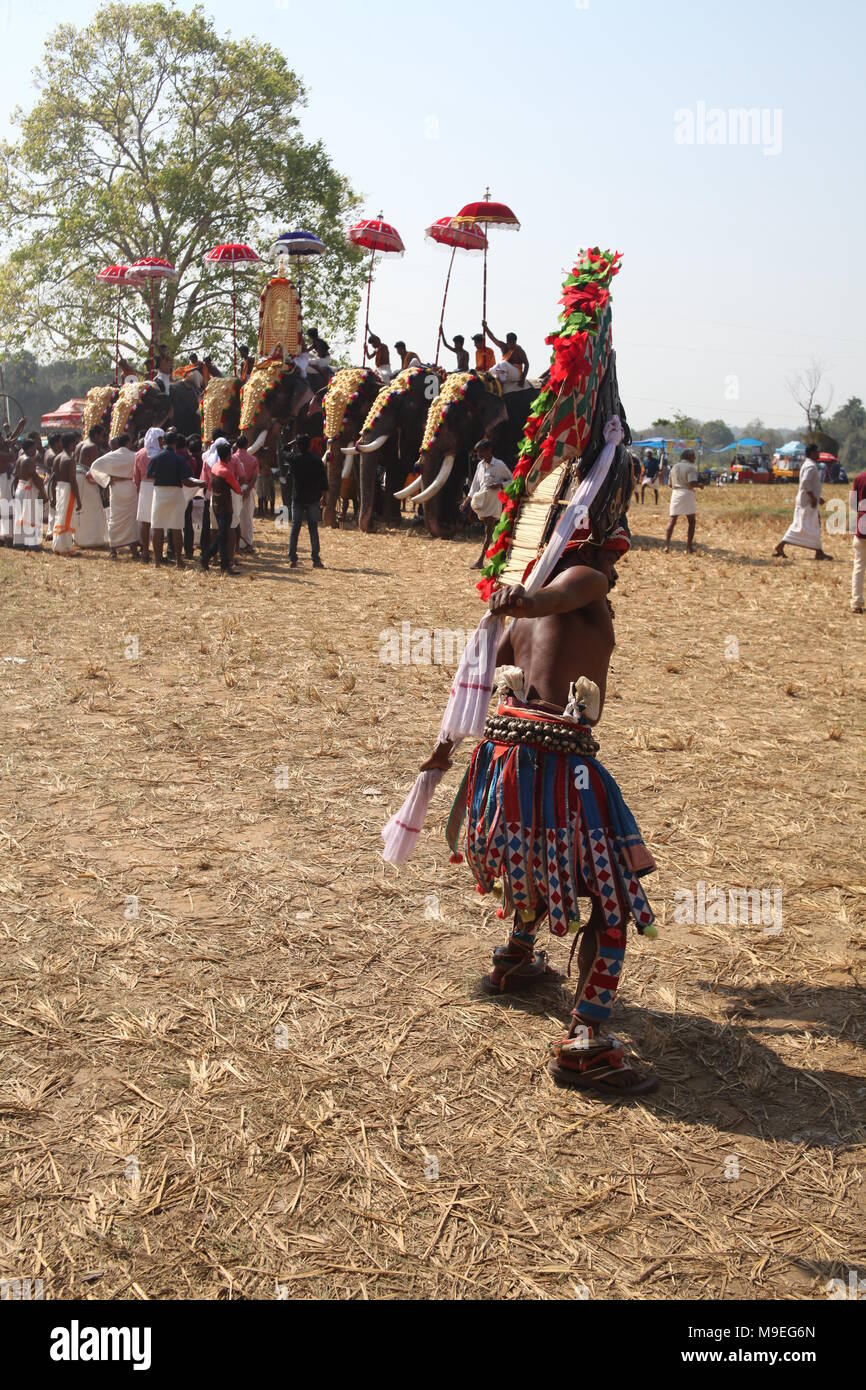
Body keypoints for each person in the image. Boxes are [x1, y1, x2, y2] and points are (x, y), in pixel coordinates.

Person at [147, 428, 202, 568]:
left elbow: (150, 476)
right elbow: (186, 481)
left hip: (159, 493)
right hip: (176, 492)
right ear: (176, 443)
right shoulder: (180, 459)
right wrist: (201, 484)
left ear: (163, 442)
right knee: (177, 527)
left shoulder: (155, 458)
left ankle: (157, 562)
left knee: (157, 527)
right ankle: (178, 560)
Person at [773, 444, 831, 561]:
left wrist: (817, 497)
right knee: (808, 526)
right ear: (810, 454)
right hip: (808, 502)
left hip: (806, 500)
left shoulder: (809, 464)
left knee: (808, 525)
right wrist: (813, 498)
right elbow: (805, 483)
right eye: (816, 452)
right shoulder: (811, 466)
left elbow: (808, 484)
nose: (818, 453)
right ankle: (818, 552)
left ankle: (818, 551)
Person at [89, 434, 140, 559]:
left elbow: (94, 467)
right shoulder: (134, 456)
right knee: (131, 520)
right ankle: (133, 550)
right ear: (128, 442)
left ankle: (113, 549)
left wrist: (107, 479)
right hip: (131, 488)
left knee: (115, 518)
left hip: (116, 488)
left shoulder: (111, 456)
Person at [464, 439, 513, 568]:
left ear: (489, 450)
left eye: (481, 451)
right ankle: (501, 553)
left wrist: (500, 484)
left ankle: (480, 560)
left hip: (494, 502)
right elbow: (474, 486)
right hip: (482, 501)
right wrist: (466, 502)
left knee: (488, 531)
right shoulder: (480, 465)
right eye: (478, 452)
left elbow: (512, 479)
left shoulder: (499, 464)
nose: (479, 454)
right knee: (488, 530)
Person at [286, 434, 327, 570]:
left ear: (297, 446)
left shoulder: (295, 459)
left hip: (298, 498)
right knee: (313, 529)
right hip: (313, 499)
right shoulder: (317, 461)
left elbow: (282, 451)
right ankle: (315, 559)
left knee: (295, 528)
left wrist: (290, 444)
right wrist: (324, 497)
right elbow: (324, 483)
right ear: (310, 445)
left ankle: (292, 558)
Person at [202, 440, 242, 575]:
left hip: (215, 505)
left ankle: (223, 565)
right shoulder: (226, 472)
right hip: (225, 506)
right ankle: (206, 558)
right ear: (228, 456)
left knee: (222, 536)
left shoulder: (214, 467)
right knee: (222, 536)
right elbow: (237, 489)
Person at [74, 426, 110, 549]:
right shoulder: (92, 447)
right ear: (95, 435)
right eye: (102, 435)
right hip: (87, 479)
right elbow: (95, 469)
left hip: (78, 478)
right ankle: (90, 540)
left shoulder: (80, 444)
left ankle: (80, 538)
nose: (103, 439)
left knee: (82, 509)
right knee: (92, 509)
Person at [134, 427, 164, 563]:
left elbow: (136, 476)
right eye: (160, 438)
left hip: (145, 488)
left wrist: (139, 488)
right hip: (158, 487)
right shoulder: (161, 454)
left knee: (145, 522)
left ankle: (145, 552)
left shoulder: (140, 453)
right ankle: (158, 554)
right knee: (158, 522)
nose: (162, 441)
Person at [665, 449, 703, 554]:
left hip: (675, 493)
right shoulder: (690, 467)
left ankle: (667, 546)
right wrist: (700, 485)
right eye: (693, 456)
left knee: (672, 521)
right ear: (689, 456)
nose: (694, 458)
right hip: (687, 493)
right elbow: (692, 483)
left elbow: (669, 484)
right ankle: (688, 547)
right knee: (691, 521)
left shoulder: (674, 467)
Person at [51, 434, 82, 555]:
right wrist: (79, 499)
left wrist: (53, 495)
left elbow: (53, 479)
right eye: (74, 443)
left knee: (61, 516)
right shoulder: (69, 460)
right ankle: (65, 548)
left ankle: (59, 545)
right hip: (67, 489)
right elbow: (73, 481)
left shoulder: (57, 458)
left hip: (59, 488)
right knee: (66, 519)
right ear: (70, 444)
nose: (75, 446)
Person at [233, 435, 259, 553]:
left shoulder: (232, 458)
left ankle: (235, 544)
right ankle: (247, 543)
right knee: (247, 518)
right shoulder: (253, 459)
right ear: (247, 445)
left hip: (235, 491)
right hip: (248, 491)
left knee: (235, 517)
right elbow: (254, 477)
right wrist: (247, 490)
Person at [482, 323, 529, 389]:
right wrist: (486, 328)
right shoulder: (504, 346)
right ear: (507, 341)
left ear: (515, 341)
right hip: (504, 372)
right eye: (510, 342)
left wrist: (523, 379)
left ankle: (501, 382)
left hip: (517, 374)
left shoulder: (519, 350)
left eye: (513, 342)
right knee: (491, 370)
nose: (511, 344)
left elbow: (527, 364)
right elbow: (493, 338)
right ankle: (495, 380)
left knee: (503, 363)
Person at [850, 466, 866, 614]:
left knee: (859, 567)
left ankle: (856, 603)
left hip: (861, 529)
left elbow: (852, 504)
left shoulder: (859, 478)